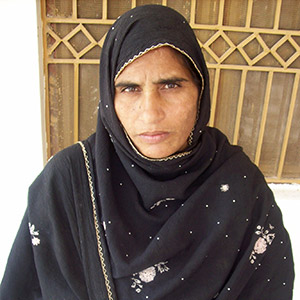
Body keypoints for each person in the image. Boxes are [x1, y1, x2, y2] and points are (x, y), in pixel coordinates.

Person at [0, 5, 294, 300]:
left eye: (170, 85)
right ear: (107, 97)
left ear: (199, 90)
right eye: (129, 89)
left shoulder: (240, 187)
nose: (150, 113)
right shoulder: (67, 185)